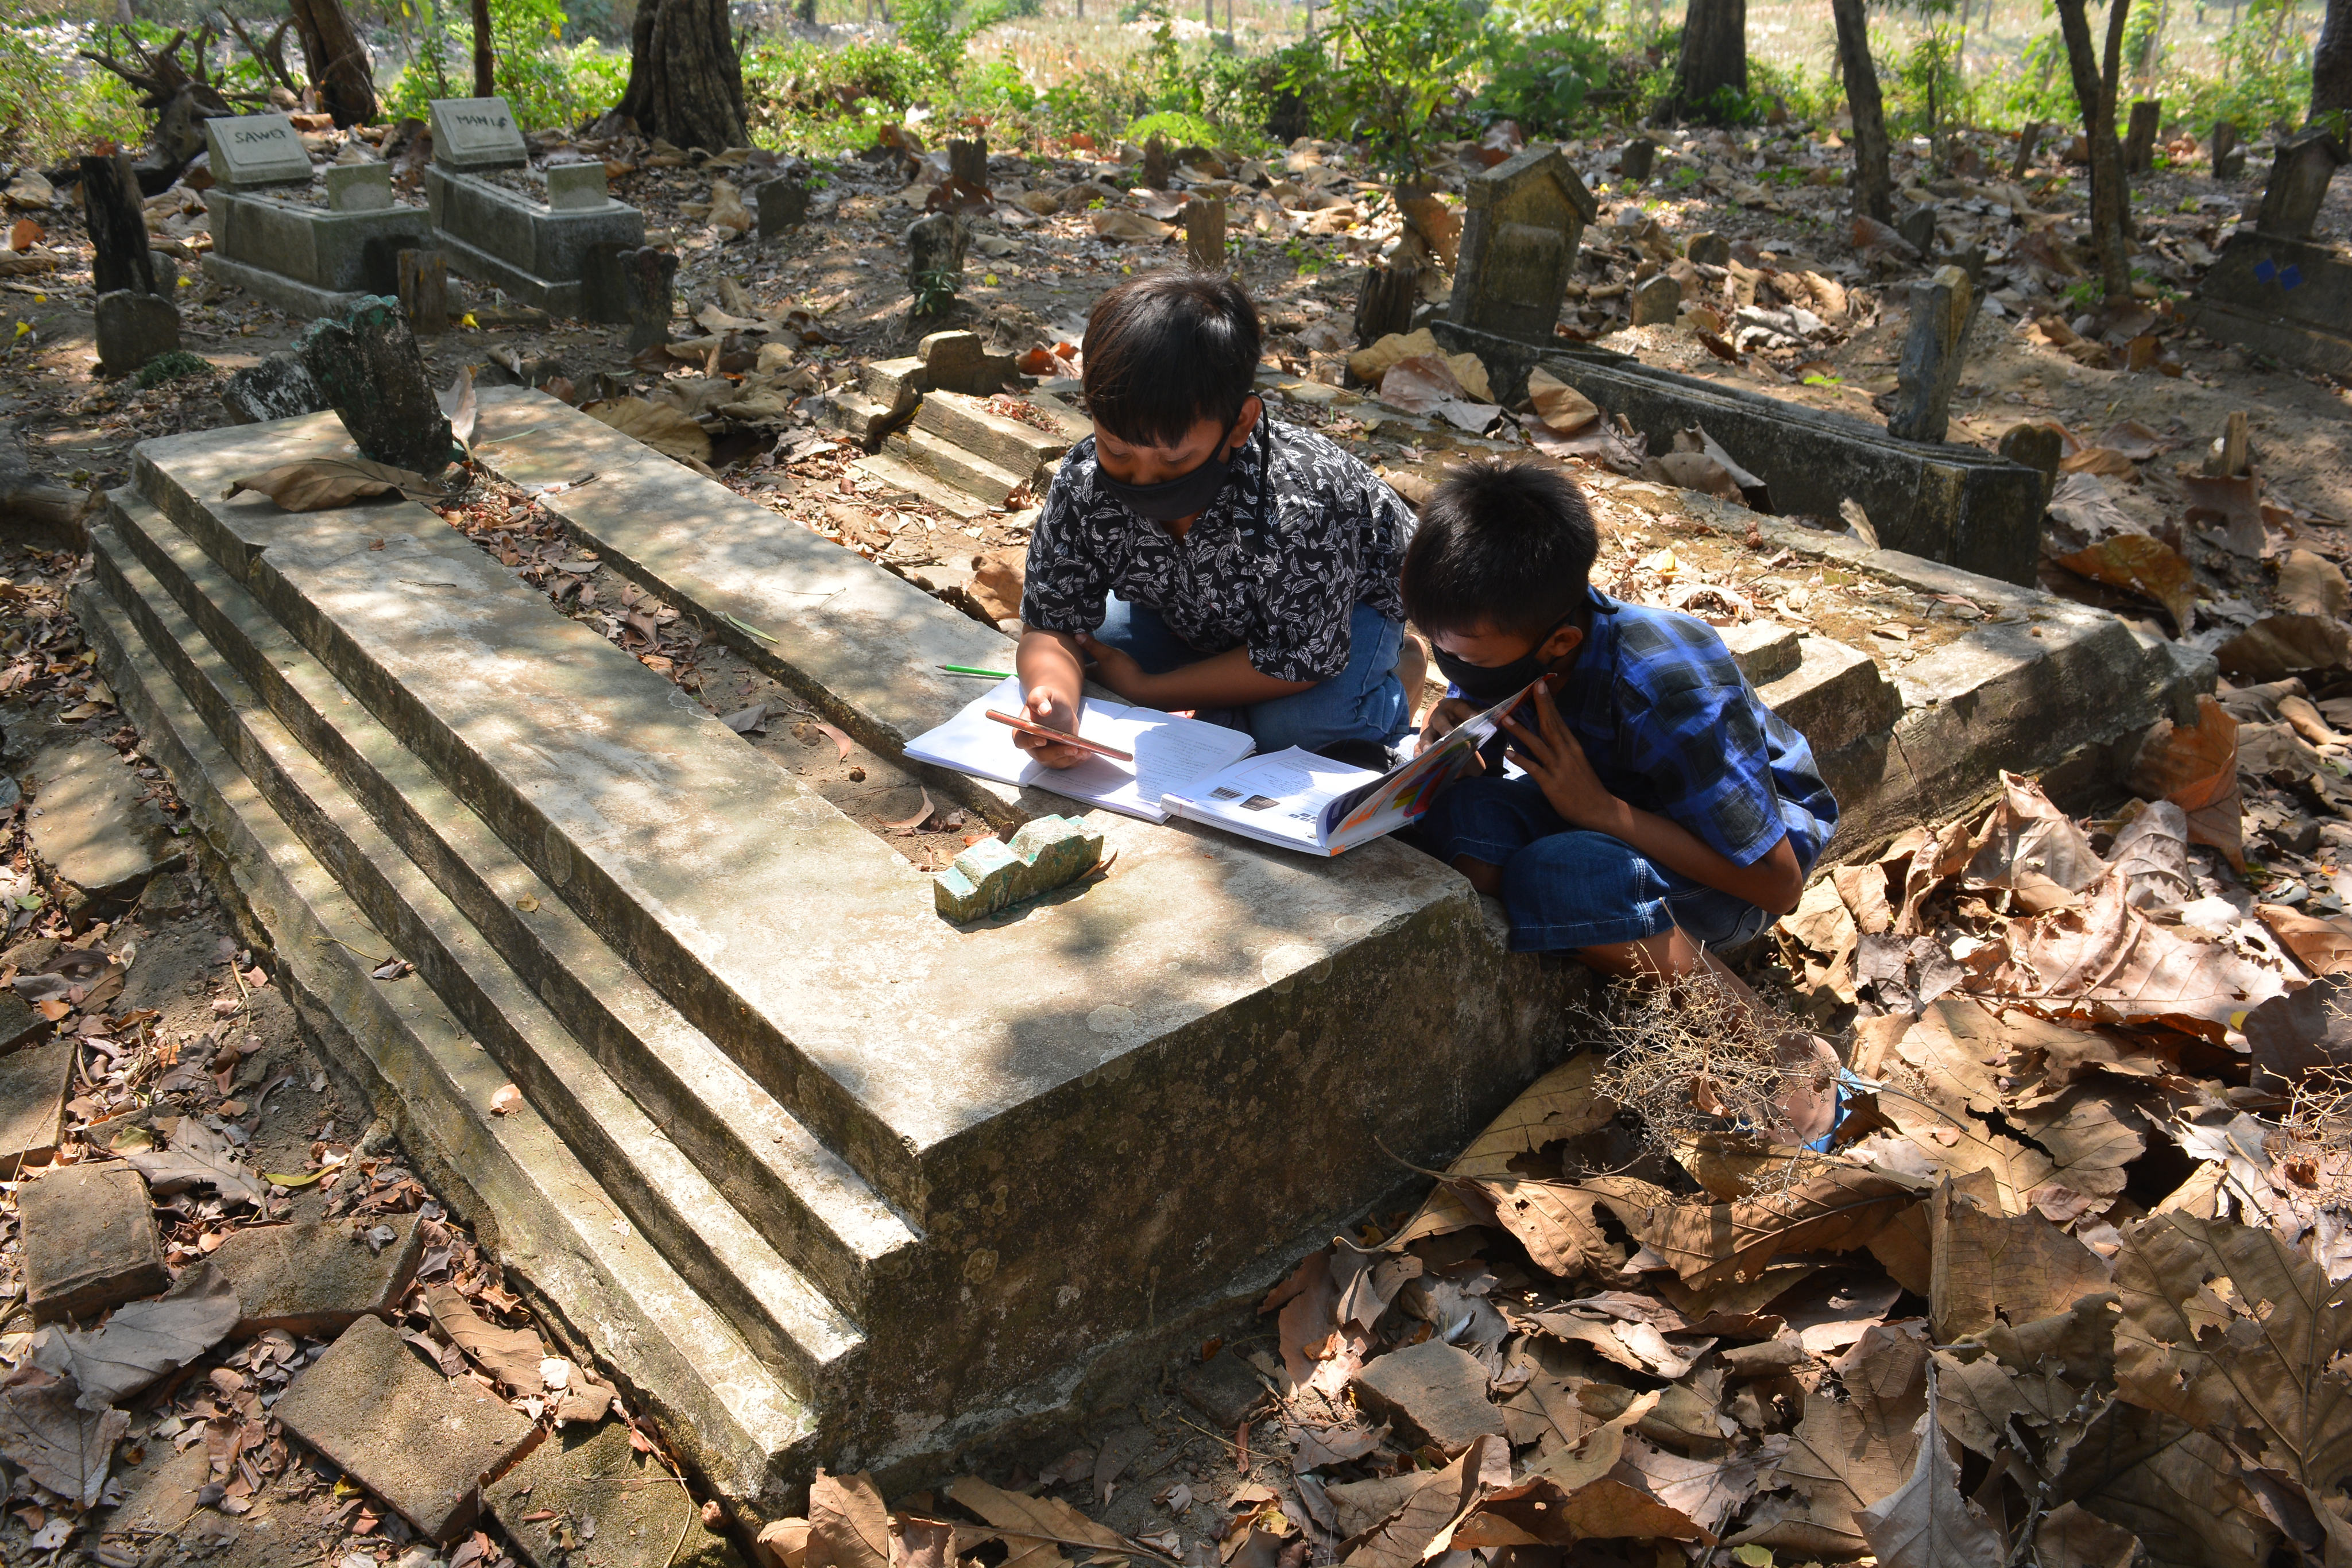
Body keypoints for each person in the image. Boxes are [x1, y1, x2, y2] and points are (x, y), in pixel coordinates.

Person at [1401, 459, 1838, 1001]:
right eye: (1438, 646)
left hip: (1734, 876)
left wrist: (1602, 811)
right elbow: (1488, 737)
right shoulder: (1507, 637)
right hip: (1598, 814)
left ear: (1558, 644)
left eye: (1464, 654)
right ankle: (1607, 933)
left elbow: (1779, 885)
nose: (1451, 665)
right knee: (1460, 820)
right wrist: (1455, 749)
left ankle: (1767, 1044)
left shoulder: (1667, 687)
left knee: (1559, 875)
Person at [1011, 272, 1420, 773]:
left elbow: (1299, 658)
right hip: (1202, 608)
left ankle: (1394, 677)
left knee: (1295, 732)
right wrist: (1052, 697)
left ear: (1241, 423)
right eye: (1117, 450)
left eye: (1176, 462)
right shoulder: (1085, 481)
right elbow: (1051, 623)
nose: (1144, 479)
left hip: (1343, 612)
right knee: (1100, 655)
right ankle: (1224, 694)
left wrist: (1150, 690)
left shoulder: (1302, 501)